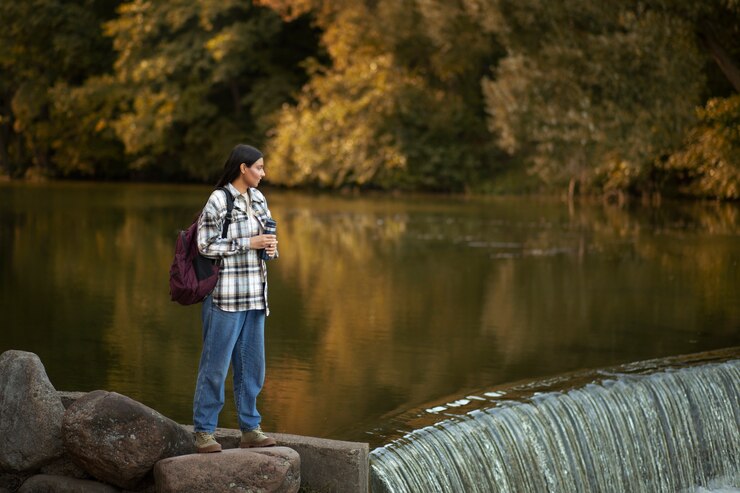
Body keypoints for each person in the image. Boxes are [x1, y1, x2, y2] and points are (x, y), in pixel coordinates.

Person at [192, 144, 278, 453]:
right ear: (243, 168)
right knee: (215, 367)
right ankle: (203, 432)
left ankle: (250, 429)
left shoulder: (259, 198)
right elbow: (204, 245)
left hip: (255, 296)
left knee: (252, 368)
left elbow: (267, 243)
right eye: (259, 167)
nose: (263, 173)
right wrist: (247, 242)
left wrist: (269, 247)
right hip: (224, 298)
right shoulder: (219, 199)